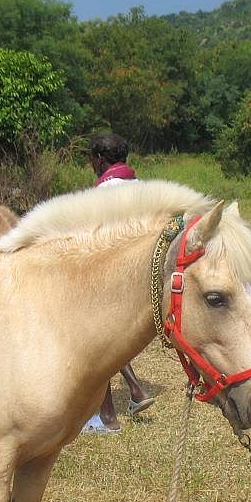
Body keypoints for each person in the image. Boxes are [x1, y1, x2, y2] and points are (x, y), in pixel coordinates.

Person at [81, 132, 156, 433]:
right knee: (112, 341)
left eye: (91, 161)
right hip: (138, 280)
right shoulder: (144, 189)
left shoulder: (101, 194)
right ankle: (137, 391)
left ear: (99, 160)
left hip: (108, 277)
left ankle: (106, 418)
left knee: (95, 343)